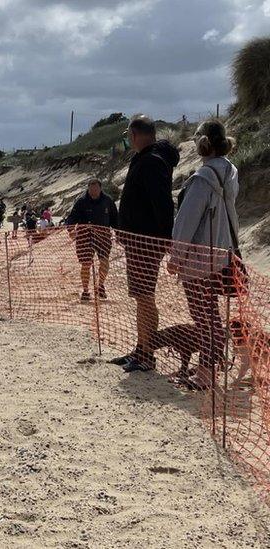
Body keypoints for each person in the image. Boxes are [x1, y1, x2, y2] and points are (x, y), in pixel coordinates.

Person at [168, 120, 239, 389]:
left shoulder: (203, 178)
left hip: (199, 259)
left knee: (203, 317)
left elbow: (186, 222)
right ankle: (208, 369)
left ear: (204, 143)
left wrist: (176, 255)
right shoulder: (230, 172)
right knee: (211, 315)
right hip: (222, 253)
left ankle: (205, 374)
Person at [112, 114, 180, 372]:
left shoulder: (151, 161)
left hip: (145, 243)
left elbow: (163, 204)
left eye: (129, 136)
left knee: (144, 298)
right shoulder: (147, 158)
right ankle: (141, 348)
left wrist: (164, 240)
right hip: (139, 241)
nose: (129, 140)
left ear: (134, 135)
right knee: (142, 297)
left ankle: (146, 353)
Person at [65, 178, 118, 301]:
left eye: (95, 189)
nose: (93, 192)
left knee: (104, 262)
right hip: (84, 237)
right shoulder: (81, 202)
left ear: (100, 188)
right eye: (91, 189)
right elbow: (72, 218)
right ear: (88, 189)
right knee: (86, 264)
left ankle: (100, 286)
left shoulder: (108, 201)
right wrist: (71, 230)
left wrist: (119, 233)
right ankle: (85, 290)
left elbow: (115, 219)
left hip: (103, 236)